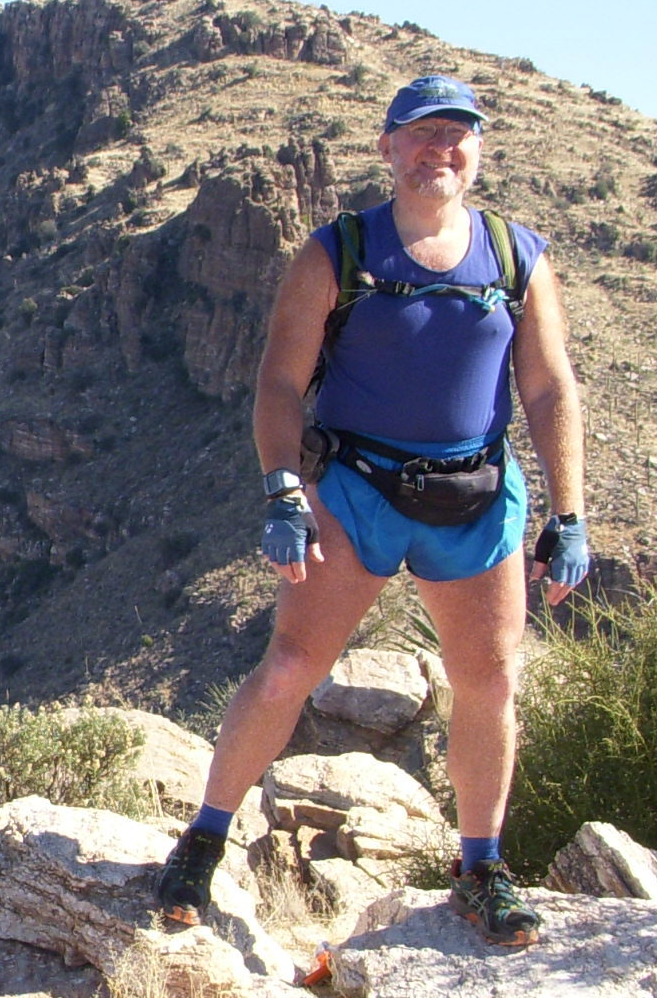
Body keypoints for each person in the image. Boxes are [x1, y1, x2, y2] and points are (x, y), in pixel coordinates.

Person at [154, 74, 592, 947]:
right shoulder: (338, 253)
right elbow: (280, 384)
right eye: (422, 134)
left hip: (474, 498)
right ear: (389, 147)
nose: (440, 150)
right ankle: (201, 843)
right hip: (357, 491)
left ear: (478, 149)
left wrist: (569, 512)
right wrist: (283, 490)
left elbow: (549, 388)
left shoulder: (517, 258)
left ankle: (481, 869)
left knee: (489, 682)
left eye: (457, 135)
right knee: (289, 666)